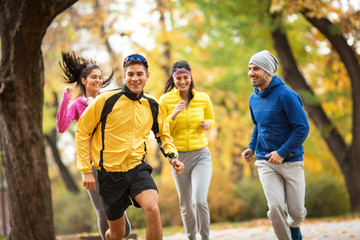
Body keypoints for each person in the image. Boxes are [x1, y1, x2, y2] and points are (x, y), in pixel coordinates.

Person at [75, 54, 185, 240]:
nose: (135, 78)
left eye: (140, 74)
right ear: (124, 76)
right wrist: (86, 170)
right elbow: (82, 131)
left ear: (147, 76)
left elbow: (163, 134)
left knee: (153, 209)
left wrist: (173, 157)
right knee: (118, 234)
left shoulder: (152, 105)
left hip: (136, 168)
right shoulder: (106, 100)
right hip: (109, 174)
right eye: (131, 74)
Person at [56, 51, 131, 240]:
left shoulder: (107, 99)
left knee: (120, 214)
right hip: (90, 162)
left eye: (100, 77)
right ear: (83, 80)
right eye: (93, 78)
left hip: (112, 159)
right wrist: (65, 100)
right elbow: (61, 127)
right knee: (101, 209)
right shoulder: (77, 105)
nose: (98, 81)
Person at [242, 50, 310, 240]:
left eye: (255, 68)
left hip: (291, 160)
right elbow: (258, 126)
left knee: (296, 214)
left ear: (267, 71)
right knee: (275, 208)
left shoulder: (286, 95)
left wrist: (281, 152)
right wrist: (252, 147)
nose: (251, 73)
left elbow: (302, 128)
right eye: (249, 68)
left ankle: (294, 228)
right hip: (266, 161)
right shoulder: (253, 99)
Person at [159, 60, 215, 240]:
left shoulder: (203, 98)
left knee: (199, 200)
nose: (183, 82)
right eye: (179, 78)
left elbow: (211, 119)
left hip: (201, 155)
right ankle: (191, 237)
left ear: (190, 77)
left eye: (186, 77)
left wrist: (208, 124)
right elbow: (162, 130)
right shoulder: (166, 100)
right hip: (179, 158)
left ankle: (205, 237)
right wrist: (174, 114)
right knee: (185, 203)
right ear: (173, 79)